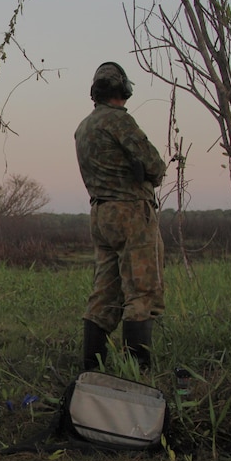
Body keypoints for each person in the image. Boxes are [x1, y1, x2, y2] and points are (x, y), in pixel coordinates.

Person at [74, 62, 166, 371]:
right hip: (130, 213)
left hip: (101, 214)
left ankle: (92, 371)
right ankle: (137, 373)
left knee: (104, 294)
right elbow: (155, 165)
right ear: (124, 90)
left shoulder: (83, 127)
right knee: (141, 293)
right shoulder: (120, 122)